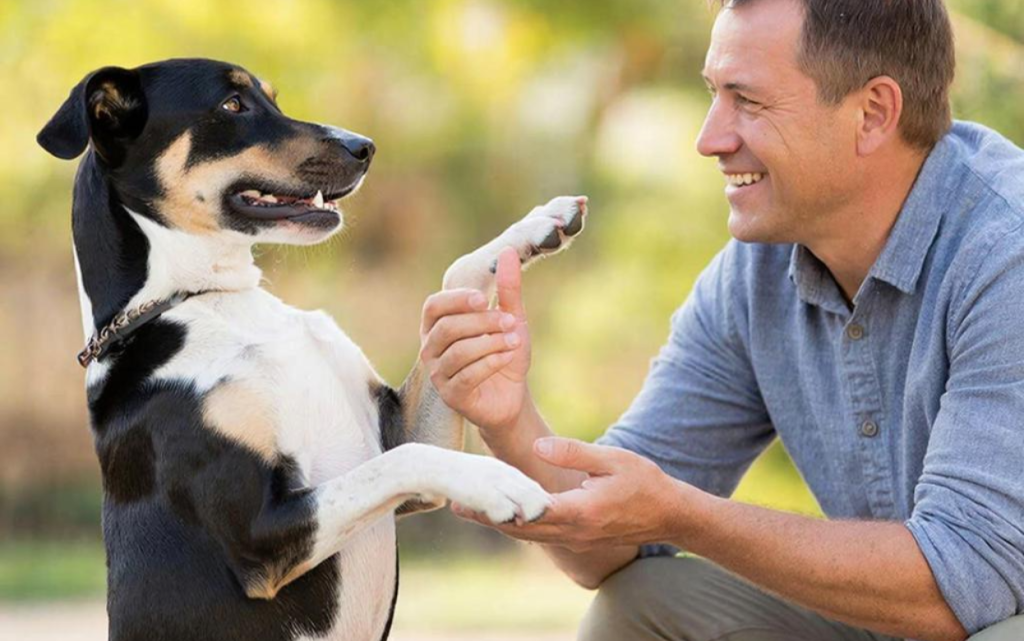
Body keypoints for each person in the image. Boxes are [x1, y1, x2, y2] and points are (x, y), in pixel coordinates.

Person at [418, 1, 1024, 639]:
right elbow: (607, 545)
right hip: (919, 612)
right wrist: (511, 421)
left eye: (748, 101)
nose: (710, 138)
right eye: (714, 94)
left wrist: (680, 514)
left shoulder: (1004, 252)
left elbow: (967, 582)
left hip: (992, 610)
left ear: (871, 113)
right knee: (639, 600)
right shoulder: (757, 275)